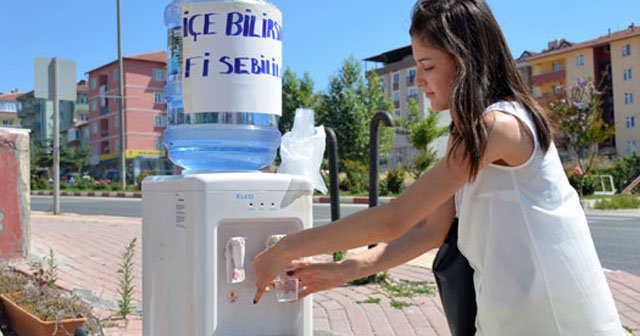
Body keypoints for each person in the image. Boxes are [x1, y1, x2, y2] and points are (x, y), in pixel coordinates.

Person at [253, 0, 624, 334]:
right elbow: (429, 230)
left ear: (465, 61)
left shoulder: (499, 128)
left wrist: (285, 248)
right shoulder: (470, 135)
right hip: (510, 312)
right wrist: (344, 271)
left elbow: (394, 218)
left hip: (554, 318)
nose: (418, 81)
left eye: (427, 66)